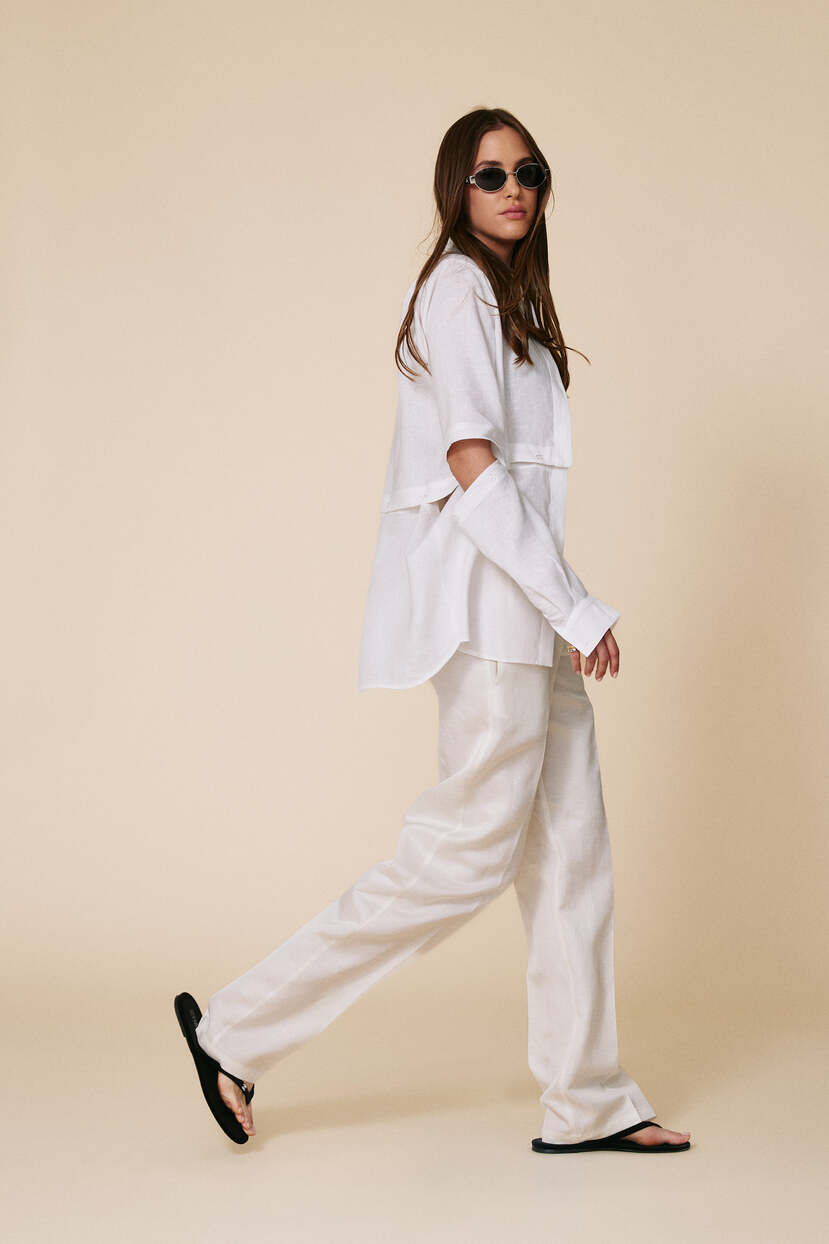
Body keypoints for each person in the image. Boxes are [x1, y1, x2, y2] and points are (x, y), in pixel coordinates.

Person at [175, 106, 692, 1155]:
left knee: (573, 860)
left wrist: (563, 604)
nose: (513, 188)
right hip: (494, 619)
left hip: (529, 614)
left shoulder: (507, 303)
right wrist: (575, 605)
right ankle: (235, 1028)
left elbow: (514, 488)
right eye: (489, 173)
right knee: (460, 858)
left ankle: (587, 1102)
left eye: (527, 171)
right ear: (456, 188)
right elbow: (471, 466)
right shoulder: (457, 289)